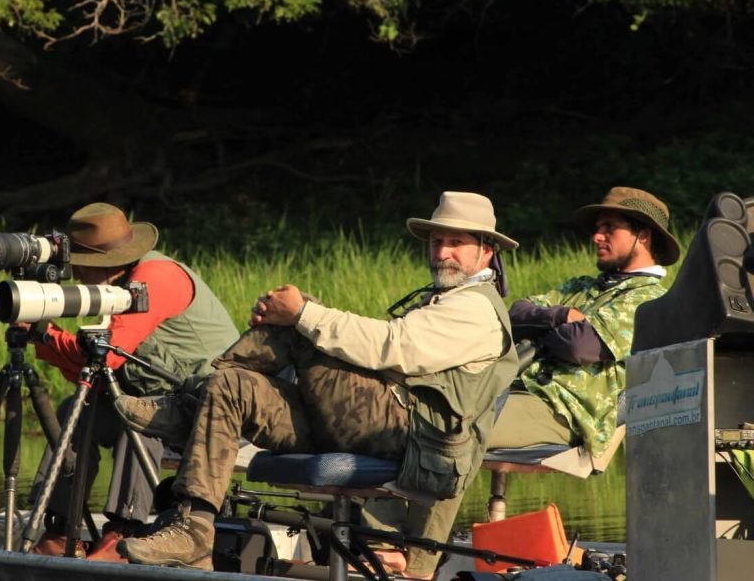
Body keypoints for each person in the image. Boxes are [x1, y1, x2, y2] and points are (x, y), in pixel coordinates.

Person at [113, 191, 520, 579]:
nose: (442, 252)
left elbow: (393, 346)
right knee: (232, 386)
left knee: (300, 320)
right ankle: (195, 529)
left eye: (456, 242)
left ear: (485, 250)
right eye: (436, 241)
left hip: (405, 435)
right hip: (372, 424)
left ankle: (188, 405)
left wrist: (303, 314)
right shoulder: (444, 299)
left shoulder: (475, 308)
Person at [27, 202, 239, 559]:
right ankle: (59, 527)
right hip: (165, 400)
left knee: (137, 416)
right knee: (76, 411)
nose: (75, 272)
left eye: (79, 264)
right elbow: (97, 370)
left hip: (216, 412)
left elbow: (108, 353)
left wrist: (49, 339)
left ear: (102, 264)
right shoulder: (119, 286)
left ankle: (124, 532)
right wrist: (46, 341)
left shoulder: (153, 279)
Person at [489, 186, 680, 457]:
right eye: (598, 227)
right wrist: (561, 316)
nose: (596, 236)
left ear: (644, 236)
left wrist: (542, 332)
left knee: (457, 430)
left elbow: (580, 346)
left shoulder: (649, 300)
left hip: (565, 411)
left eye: (610, 227)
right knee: (431, 414)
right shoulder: (579, 287)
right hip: (516, 389)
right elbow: (515, 315)